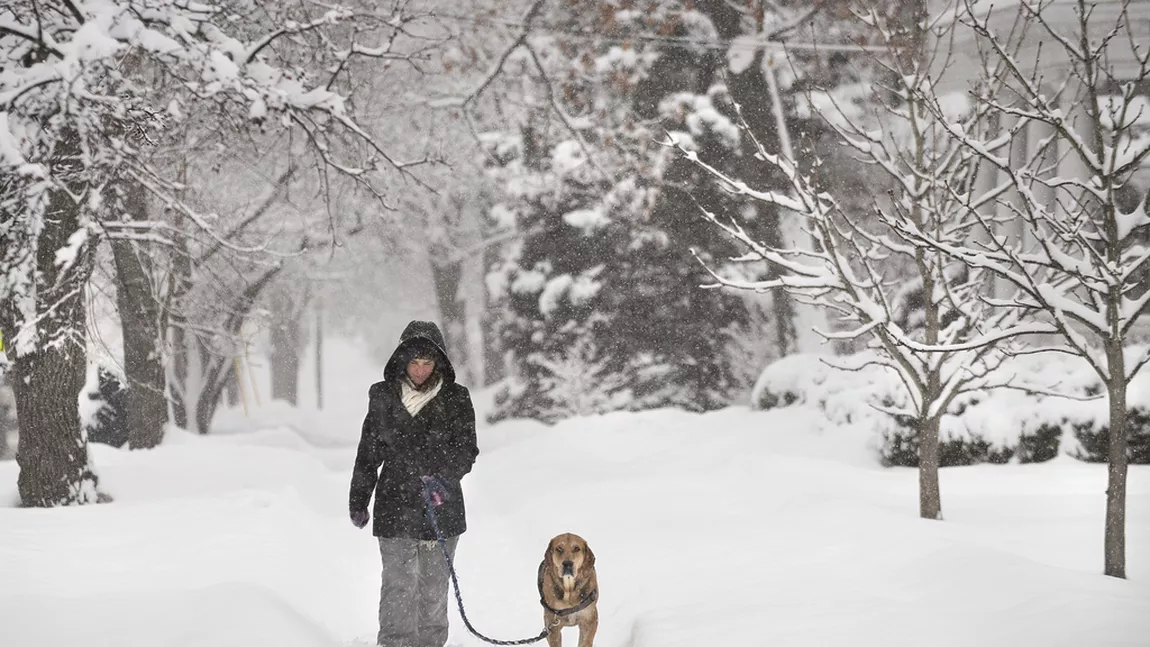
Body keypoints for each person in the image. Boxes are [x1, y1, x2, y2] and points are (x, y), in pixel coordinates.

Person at [349, 320, 479, 647]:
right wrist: (358, 499)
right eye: (414, 362)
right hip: (395, 505)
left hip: (442, 507)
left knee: (433, 589)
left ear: (439, 363)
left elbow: (467, 449)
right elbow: (369, 451)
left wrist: (443, 479)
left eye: (427, 363)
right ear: (402, 360)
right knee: (398, 586)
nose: (420, 370)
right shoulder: (383, 397)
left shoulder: (456, 398)